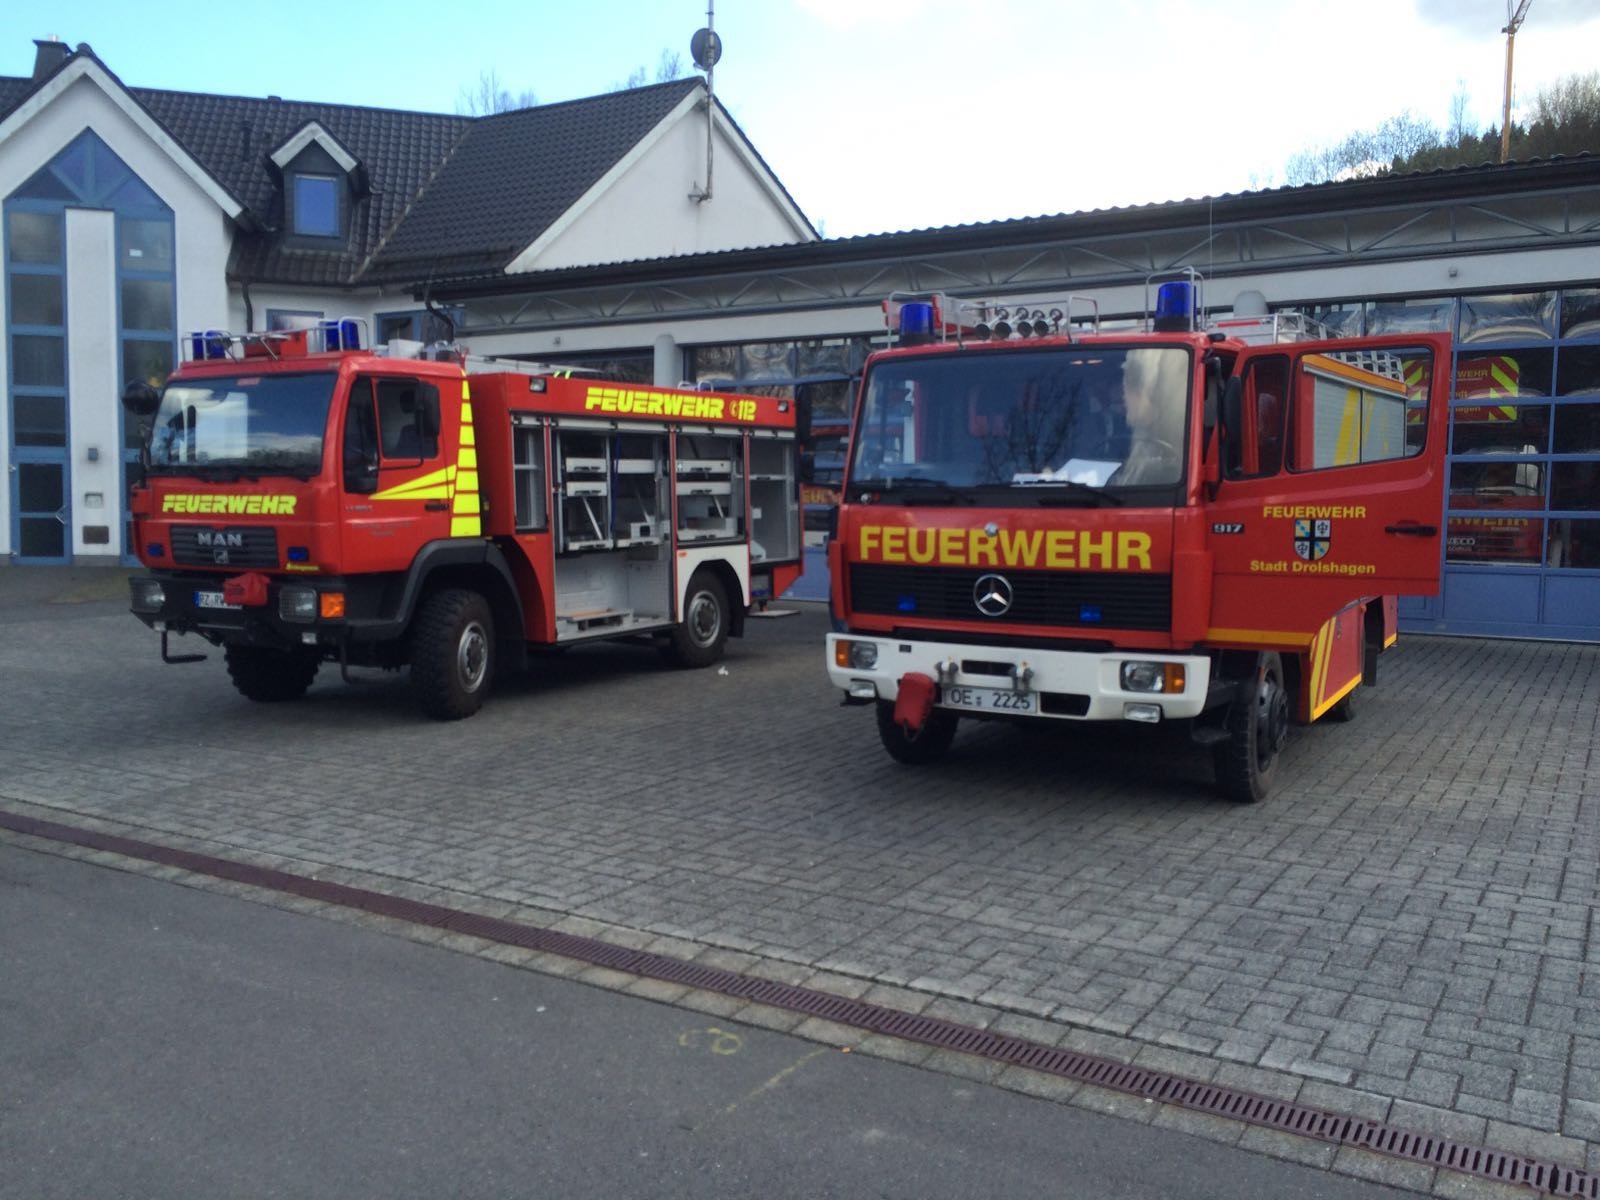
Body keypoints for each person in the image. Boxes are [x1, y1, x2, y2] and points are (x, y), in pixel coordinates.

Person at [1109, 347, 1186, 486]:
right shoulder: (1141, 439)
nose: (1124, 397)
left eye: (1130, 387)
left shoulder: (1174, 460)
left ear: (1152, 394)